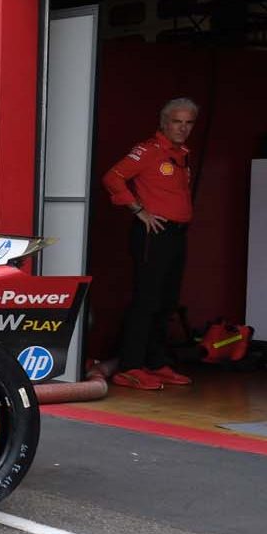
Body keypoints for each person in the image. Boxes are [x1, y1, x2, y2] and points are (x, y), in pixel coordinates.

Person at [101, 98, 198, 390]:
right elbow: (113, 178)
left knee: (166, 301)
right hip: (154, 234)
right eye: (177, 121)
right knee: (147, 300)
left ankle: (155, 362)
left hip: (176, 234)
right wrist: (138, 210)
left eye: (188, 122)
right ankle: (130, 366)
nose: (182, 128)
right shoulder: (149, 150)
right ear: (164, 122)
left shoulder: (181, 154)